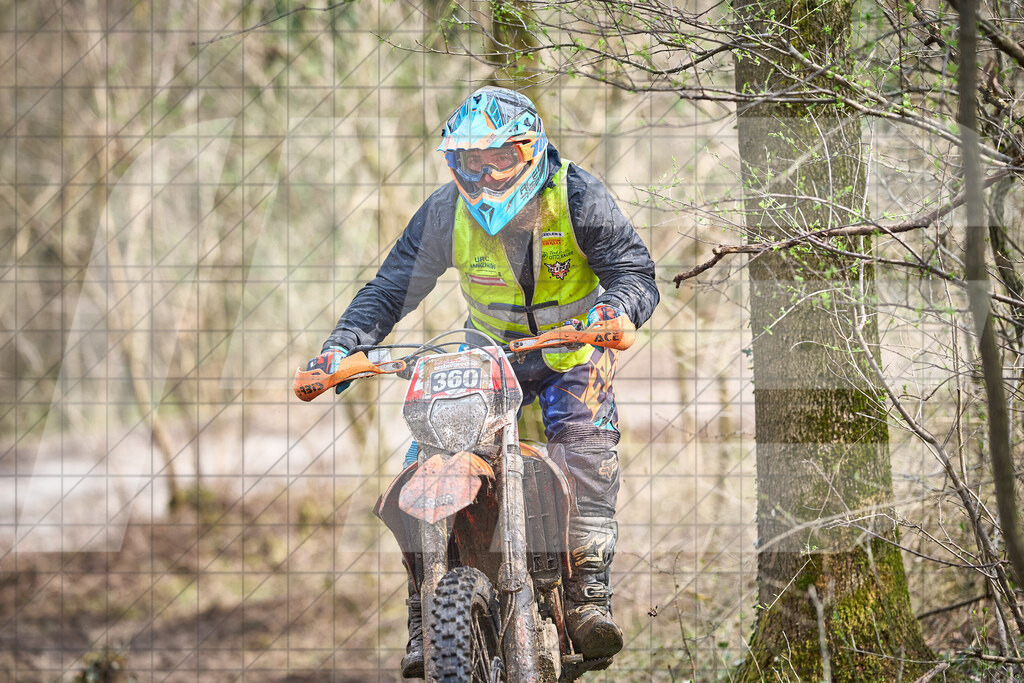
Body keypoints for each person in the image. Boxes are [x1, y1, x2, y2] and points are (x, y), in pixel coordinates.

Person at [304, 87, 659, 677]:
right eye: (474, 160)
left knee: (587, 446)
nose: (489, 172)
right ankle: (425, 612)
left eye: (502, 157)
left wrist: (615, 310)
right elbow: (391, 288)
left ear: (530, 151)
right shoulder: (447, 211)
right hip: (488, 356)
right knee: (427, 456)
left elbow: (632, 268)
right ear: (456, 163)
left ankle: (587, 599)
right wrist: (342, 347)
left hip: (573, 351)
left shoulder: (575, 193)